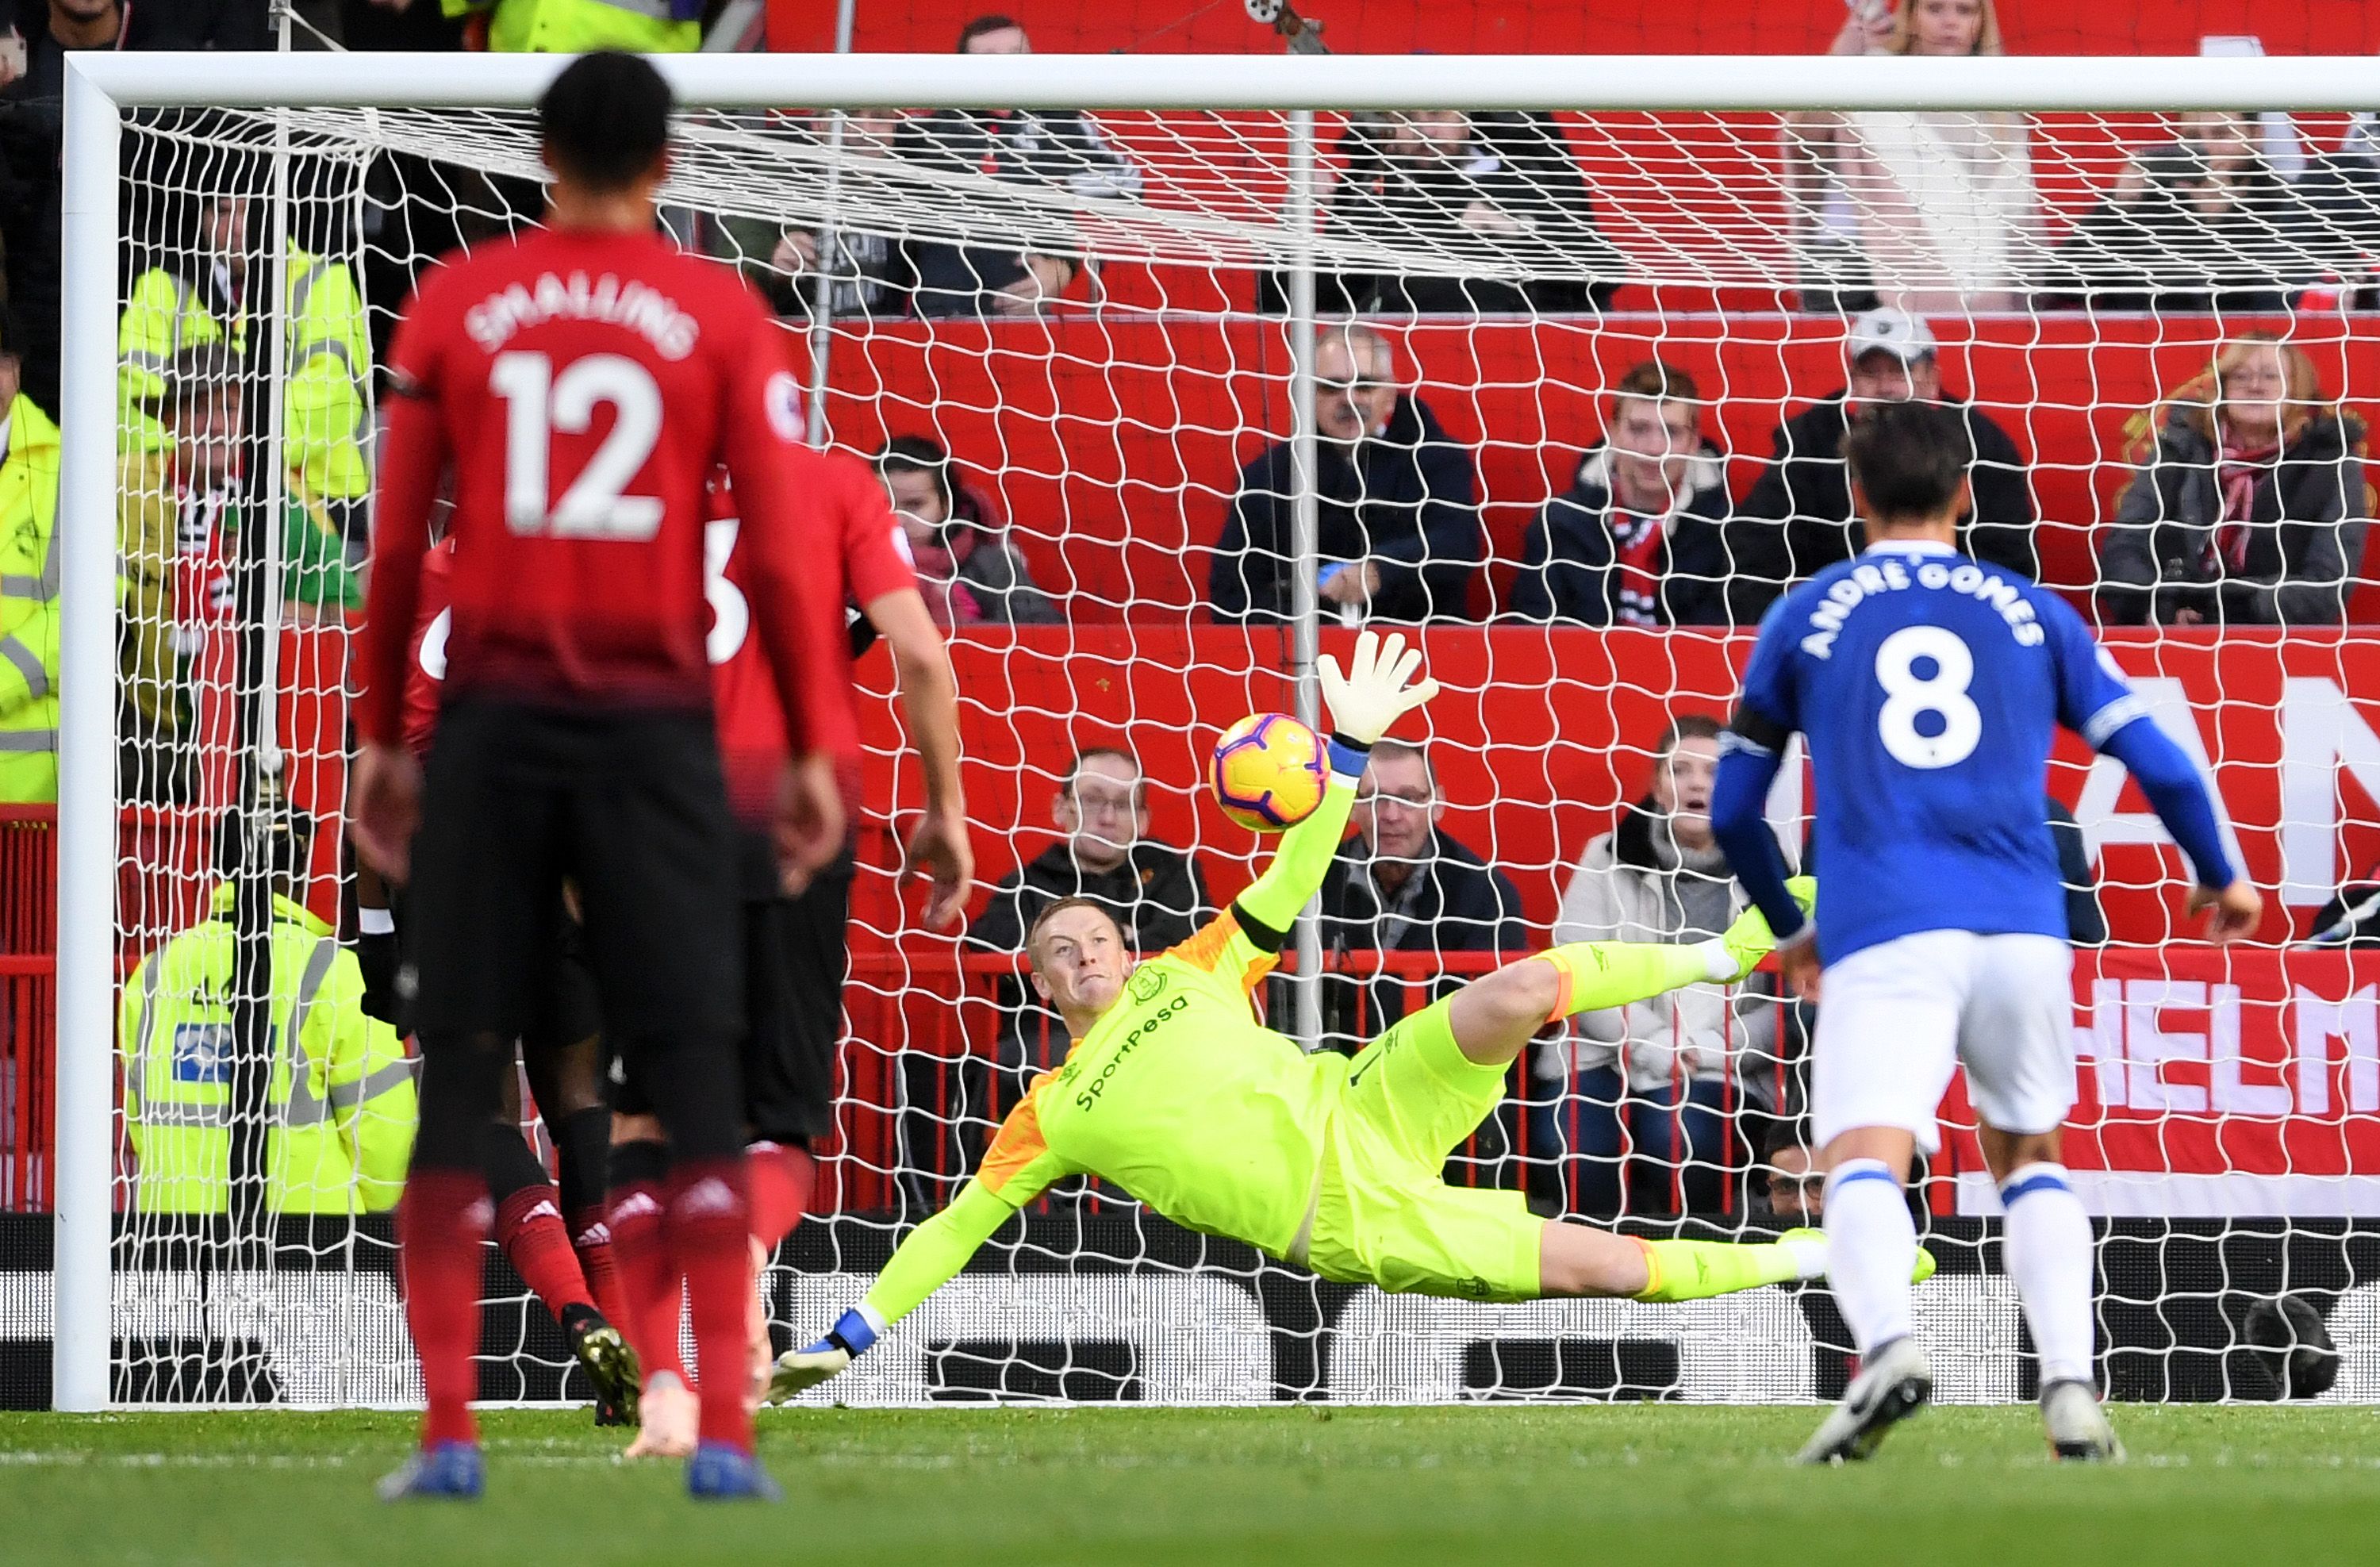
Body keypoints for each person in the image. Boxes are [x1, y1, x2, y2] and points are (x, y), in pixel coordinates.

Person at [768, 632, 1919, 1406]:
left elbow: (1302, 854)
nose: (1081, 950)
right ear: (1040, 981)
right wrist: (848, 1334)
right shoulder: (1051, 1109)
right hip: (1348, 1212)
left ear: (1126, 946)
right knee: (1603, 1269)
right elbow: (952, 1229)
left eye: (1096, 936)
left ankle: (1721, 948)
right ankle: (1807, 1251)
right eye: (1057, 947)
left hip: (1363, 1091)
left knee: (1519, 987)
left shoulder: (1195, 965)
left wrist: (1351, 748)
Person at [349, 53, 857, 1502]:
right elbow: (771, 549)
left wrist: (386, 735)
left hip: (503, 717)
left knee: (461, 1087)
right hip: (651, 730)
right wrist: (816, 744)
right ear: (671, 166)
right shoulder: (716, 310)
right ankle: (722, 1434)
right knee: (692, 1079)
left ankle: (449, 1438)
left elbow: (397, 550)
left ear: (543, 158)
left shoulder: (459, 301)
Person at [1710, 399, 2260, 1465]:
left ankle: (1886, 1349)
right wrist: (2221, 873)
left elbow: (1733, 810)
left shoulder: (1809, 612)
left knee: (1863, 1150)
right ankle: (2068, 1386)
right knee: (2029, 1153)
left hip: (1882, 925)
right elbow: (2161, 759)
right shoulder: (2031, 609)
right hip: (2021, 921)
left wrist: (1793, 926)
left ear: (1855, 495)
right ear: (1967, 493)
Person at [607, 454, 971, 1459]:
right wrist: (945, 811)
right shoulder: (835, 486)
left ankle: (667, 1386)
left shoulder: (627, 486)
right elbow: (925, 659)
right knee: (779, 1113)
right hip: (794, 819)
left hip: (652, 816)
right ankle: (754, 1244)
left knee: (638, 1117)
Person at [1540, 715, 1791, 1217]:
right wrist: (1651, 1043)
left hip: (1722, 1067)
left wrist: (1710, 1048)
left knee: (1678, 1139)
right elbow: (1575, 961)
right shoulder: (1606, 855)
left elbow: (1785, 1001)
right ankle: (1596, 1274)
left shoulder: (1772, 865)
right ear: (1658, 785)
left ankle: (1693, 1265)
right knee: (1571, 1145)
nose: (1697, 783)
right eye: (1680, 770)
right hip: (1601, 1056)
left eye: (1714, 772)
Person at [120, 802, 418, 1217]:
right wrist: (376, 1216)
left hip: (176, 1236)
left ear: (220, 864)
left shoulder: (153, 974)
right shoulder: (336, 974)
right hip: (313, 1242)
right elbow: (385, 1127)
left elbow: (140, 1117)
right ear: (297, 871)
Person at [117, 344, 359, 805]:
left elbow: (346, 616)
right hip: (145, 734)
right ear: (168, 420)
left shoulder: (290, 503)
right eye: (197, 408)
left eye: (229, 408)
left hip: (252, 739)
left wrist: (267, 612)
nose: (214, 426)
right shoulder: (123, 486)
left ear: (250, 423)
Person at [1732, 307, 2035, 621]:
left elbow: (2010, 561)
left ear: (1933, 379)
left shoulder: (1981, 444)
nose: (1886, 387)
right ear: (1852, 380)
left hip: (1955, 616)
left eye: (1901, 371)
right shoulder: (1807, 440)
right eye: (1871, 373)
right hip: (1834, 617)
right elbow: (1757, 550)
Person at [117, 184, 374, 540]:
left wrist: (232, 452)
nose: (237, 226)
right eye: (222, 212)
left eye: (247, 212)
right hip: (179, 496)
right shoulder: (162, 287)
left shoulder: (325, 280)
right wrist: (208, 460)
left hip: (322, 498)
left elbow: (328, 400)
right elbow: (131, 397)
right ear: (203, 220)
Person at [970, 746, 1208, 1116]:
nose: (1108, 817)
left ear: (1143, 819)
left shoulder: (1176, 876)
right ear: (1060, 809)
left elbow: (1191, 939)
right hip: (1049, 1052)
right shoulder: (1025, 885)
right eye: (1093, 800)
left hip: (1157, 1040)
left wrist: (1065, 952)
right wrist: (1125, 942)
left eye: (1123, 804)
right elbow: (991, 950)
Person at [1211, 324, 1482, 624]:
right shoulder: (1269, 476)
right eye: (1331, 387)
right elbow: (1231, 591)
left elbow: (1457, 543)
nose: (1350, 399)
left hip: (1419, 642)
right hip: (1303, 649)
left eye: (1364, 386)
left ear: (1390, 393)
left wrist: (1379, 570)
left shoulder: (1439, 458)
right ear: (1306, 395)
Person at [2098, 333, 2369, 629]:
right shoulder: (2177, 451)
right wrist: (2161, 610)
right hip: (2169, 634)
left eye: (2271, 377)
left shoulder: (2330, 464)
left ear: (2298, 391)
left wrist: (2223, 614)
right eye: (2241, 377)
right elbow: (2124, 551)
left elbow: (2328, 583)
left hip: (2280, 642)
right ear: (2223, 389)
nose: (2255, 387)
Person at [1783, 0, 2037, 314]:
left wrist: (2033, 292)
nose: (1950, 22)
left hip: (1977, 300)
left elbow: (2020, 221)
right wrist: (1842, 60)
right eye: (1935, 9)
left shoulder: (2002, 111)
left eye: (1965, 11)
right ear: (1910, 16)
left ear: (1983, 23)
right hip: (1862, 284)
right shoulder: (1870, 77)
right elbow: (1804, 137)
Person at [889, 14, 1138, 317]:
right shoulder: (923, 132)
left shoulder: (1059, 122)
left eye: (1015, 55)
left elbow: (1126, 188)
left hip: (1027, 327)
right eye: (989, 58)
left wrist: (1065, 267)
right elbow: (856, 190)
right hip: (936, 322)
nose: (1005, 66)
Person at [1317, 739, 1525, 1052]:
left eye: (1409, 798)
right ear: (1352, 807)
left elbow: (1496, 1021)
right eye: (1375, 798)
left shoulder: (1486, 894)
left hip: (1439, 1081)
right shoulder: (1315, 884)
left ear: (1437, 804)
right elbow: (1285, 1005)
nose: (1391, 814)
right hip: (1329, 1080)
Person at [1320, 109, 1623, 315]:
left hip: (1510, 351)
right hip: (1390, 355)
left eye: (1437, 114)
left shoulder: (1524, 181)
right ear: (1390, 132)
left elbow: (1609, 270)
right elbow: (1307, 297)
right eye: (1409, 119)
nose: (1426, 131)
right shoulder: (1369, 195)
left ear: (1466, 121)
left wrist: (1516, 233)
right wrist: (1298, 218)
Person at [1506, 360, 1734, 627]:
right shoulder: (1560, 525)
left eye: (1671, 432)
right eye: (1638, 429)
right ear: (1612, 433)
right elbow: (1535, 636)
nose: (1654, 449)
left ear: (1694, 443)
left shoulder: (1726, 532)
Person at [2050, 112, 2327, 315]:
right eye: (2193, 138)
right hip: (2140, 348)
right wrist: (2115, 208)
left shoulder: (2287, 205)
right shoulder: (2146, 201)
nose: (2205, 150)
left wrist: (2218, 221)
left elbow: (2283, 298)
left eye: (2221, 135)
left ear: (2255, 136)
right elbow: (2061, 285)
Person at [875, 435, 1060, 627]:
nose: (897, 518)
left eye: (914, 505)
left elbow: (1043, 632)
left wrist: (963, 627)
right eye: (884, 504)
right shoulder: (859, 567)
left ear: (944, 506)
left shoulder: (992, 565)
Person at [0, 311, 57, 801]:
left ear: (18, 368)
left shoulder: (67, 466)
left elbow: (81, 611)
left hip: (32, 782)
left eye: (0, 361)